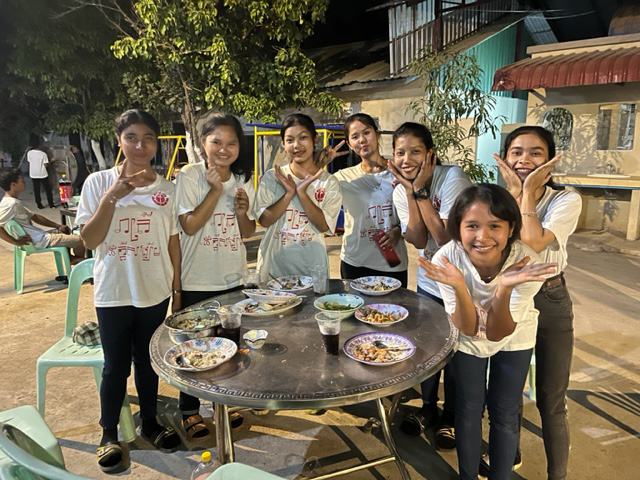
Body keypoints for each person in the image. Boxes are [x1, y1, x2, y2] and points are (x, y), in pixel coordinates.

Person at [421, 184, 557, 480]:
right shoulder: (447, 259)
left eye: (494, 225)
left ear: (511, 229)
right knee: (469, 408)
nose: (482, 237)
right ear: (458, 228)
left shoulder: (527, 264)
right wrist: (459, 286)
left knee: (504, 412)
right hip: (467, 335)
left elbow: (497, 332)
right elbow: (469, 328)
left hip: (513, 334)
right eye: (472, 226)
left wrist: (505, 287)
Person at [75, 109, 181, 473]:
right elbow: (89, 240)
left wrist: (177, 288)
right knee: (115, 367)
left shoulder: (167, 189)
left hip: (155, 289)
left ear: (156, 143)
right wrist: (112, 197)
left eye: (148, 138)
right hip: (114, 291)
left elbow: (172, 241)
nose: (140, 145)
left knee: (149, 363)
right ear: (119, 140)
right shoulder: (98, 182)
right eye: (131, 137)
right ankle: (108, 434)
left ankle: (149, 423)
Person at [485, 126, 582, 479]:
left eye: (535, 153)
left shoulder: (565, 200)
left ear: (550, 161)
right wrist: (514, 193)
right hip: (510, 297)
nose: (524, 160)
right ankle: (509, 456)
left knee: (551, 399)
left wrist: (525, 193)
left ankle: (558, 475)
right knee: (508, 393)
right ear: (505, 159)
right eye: (516, 152)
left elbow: (533, 242)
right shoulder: (495, 199)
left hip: (550, 296)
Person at [389, 122, 471, 448]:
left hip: (461, 283)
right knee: (428, 349)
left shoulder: (452, 178)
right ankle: (427, 408)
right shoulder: (400, 190)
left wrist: (421, 191)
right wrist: (411, 193)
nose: (407, 159)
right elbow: (419, 239)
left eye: (415, 152)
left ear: (430, 154)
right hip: (429, 282)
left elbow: (445, 237)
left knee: (457, 352)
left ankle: (450, 415)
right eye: (400, 152)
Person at [174, 113, 255, 440]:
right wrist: (215, 190)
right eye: (216, 141)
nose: (224, 149)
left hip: (232, 277)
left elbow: (247, 232)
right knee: (194, 348)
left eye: (231, 143)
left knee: (230, 345)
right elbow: (190, 225)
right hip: (197, 279)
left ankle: (225, 401)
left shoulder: (243, 178)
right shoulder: (190, 175)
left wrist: (241, 212)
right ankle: (189, 409)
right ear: (202, 143)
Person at [253, 113, 343, 281]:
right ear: (283, 144)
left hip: (312, 270)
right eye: (290, 140)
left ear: (315, 139)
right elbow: (264, 221)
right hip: (274, 268)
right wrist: (289, 194)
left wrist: (302, 193)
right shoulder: (273, 177)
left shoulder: (328, 182)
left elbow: (323, 225)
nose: (296, 145)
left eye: (303, 137)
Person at [332, 113, 408, 286]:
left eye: (366, 133)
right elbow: (315, 195)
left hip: (392, 264)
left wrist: (398, 231)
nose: (362, 140)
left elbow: (414, 213)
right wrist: (318, 165)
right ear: (350, 144)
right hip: (354, 262)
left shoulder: (398, 173)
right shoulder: (342, 178)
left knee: (394, 304)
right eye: (355, 137)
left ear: (377, 134)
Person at [0, 169, 85, 263]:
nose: (25, 183)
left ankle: (71, 258)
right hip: (39, 240)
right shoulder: (10, 205)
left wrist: (58, 226)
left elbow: (34, 216)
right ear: (13, 185)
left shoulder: (13, 202)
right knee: (82, 240)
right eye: (22, 181)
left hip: (38, 236)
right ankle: (78, 264)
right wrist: (15, 242)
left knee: (64, 230)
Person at [26, 140, 55, 209]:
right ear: (39, 146)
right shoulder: (43, 154)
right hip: (42, 173)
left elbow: (29, 161)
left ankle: (39, 204)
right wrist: (52, 161)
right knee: (48, 189)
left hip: (33, 173)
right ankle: (51, 204)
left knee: (36, 189)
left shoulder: (29, 153)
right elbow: (46, 164)